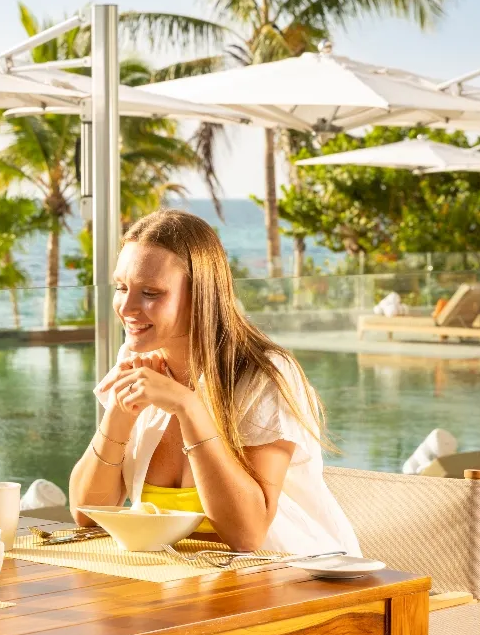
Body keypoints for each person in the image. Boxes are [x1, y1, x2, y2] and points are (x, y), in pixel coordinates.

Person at [69, 209, 359, 556]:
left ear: (201, 295)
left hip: (292, 581)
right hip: (185, 587)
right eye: (121, 287)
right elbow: (87, 515)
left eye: (150, 292)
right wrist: (119, 413)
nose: (127, 306)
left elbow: (246, 536)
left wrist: (188, 407)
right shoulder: (138, 362)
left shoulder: (264, 377)